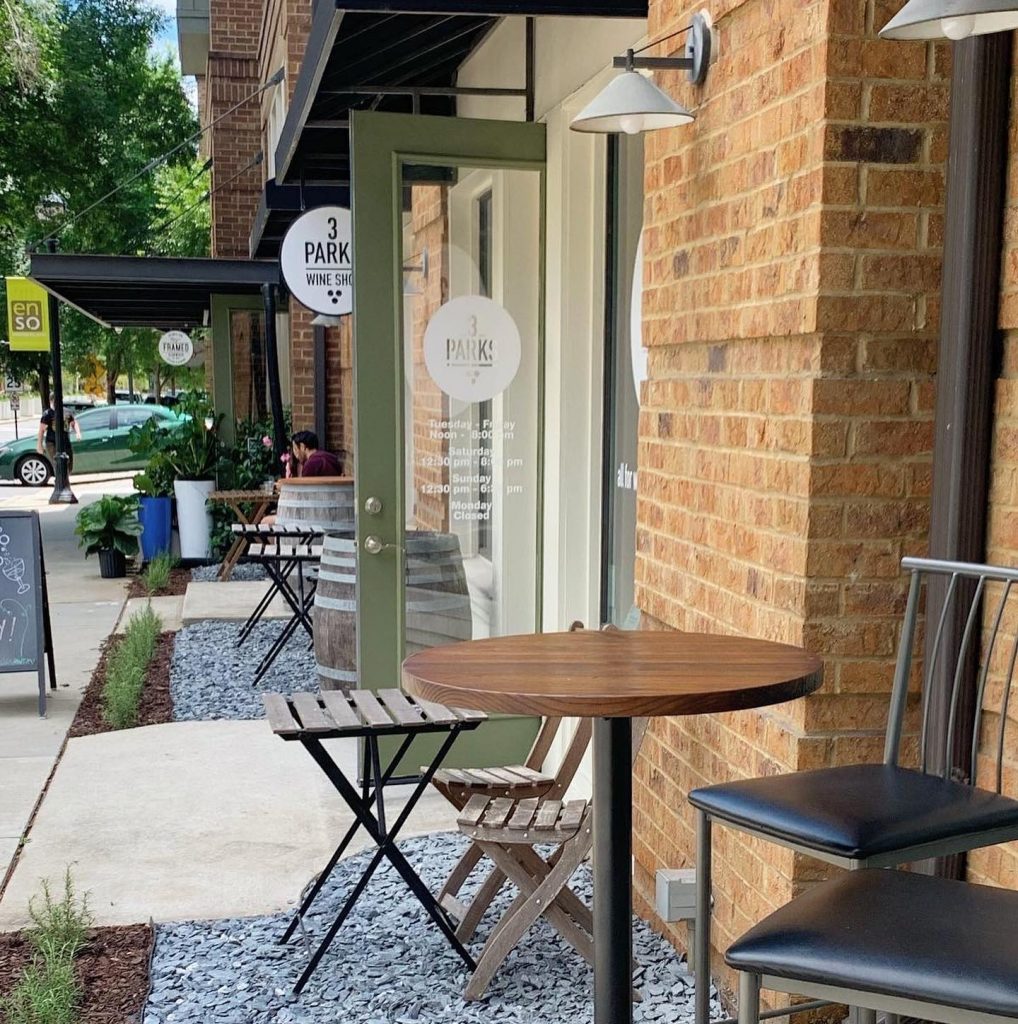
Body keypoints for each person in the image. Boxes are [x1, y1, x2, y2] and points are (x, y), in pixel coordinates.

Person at [37, 399, 82, 472]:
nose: (56, 402)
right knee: (58, 464)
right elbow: (41, 430)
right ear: (51, 401)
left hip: (65, 441)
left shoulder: (67, 411)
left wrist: (78, 433)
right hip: (52, 442)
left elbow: (74, 423)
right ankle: (59, 478)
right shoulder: (48, 413)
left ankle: (66, 477)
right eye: (53, 400)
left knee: (69, 465)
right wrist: (39, 445)